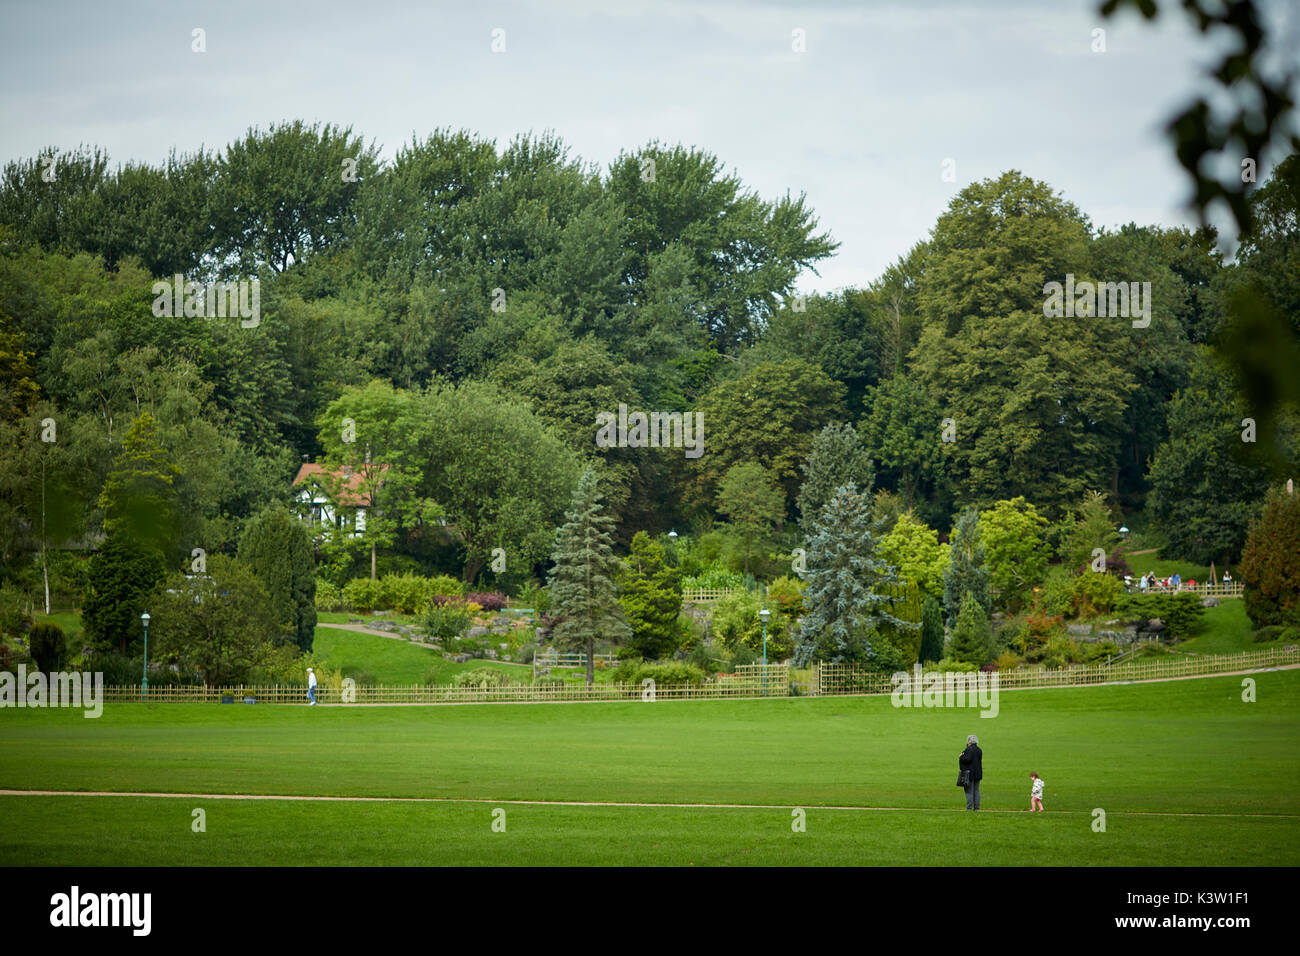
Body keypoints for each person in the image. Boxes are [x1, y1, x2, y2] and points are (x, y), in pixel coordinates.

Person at [959, 734, 983, 811]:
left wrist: (961, 756)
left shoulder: (969, 749)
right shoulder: (979, 750)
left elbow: (967, 759)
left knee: (969, 791)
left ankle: (969, 808)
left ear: (969, 741)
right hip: (978, 773)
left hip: (969, 774)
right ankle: (977, 808)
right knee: (976, 791)